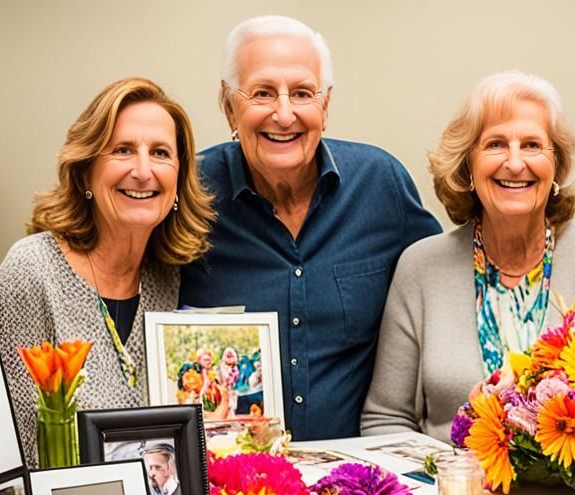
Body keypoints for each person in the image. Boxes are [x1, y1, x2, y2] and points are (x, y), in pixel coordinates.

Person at [180, 15, 442, 441]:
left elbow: (442, 288)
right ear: (229, 105)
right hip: (232, 483)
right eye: (262, 93)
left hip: (358, 477)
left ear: (325, 105)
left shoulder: (380, 184)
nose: (284, 114)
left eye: (302, 93)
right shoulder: (190, 194)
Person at [362, 71, 575, 441]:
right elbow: (385, 420)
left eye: (532, 145)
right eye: (496, 144)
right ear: (468, 167)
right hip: (450, 490)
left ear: (557, 165)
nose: (515, 163)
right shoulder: (421, 267)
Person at [0, 78, 214, 466]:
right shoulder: (32, 271)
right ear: (85, 171)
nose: (143, 171)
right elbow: (18, 448)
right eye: (122, 150)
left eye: (160, 153)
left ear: (178, 181)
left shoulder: (172, 279)